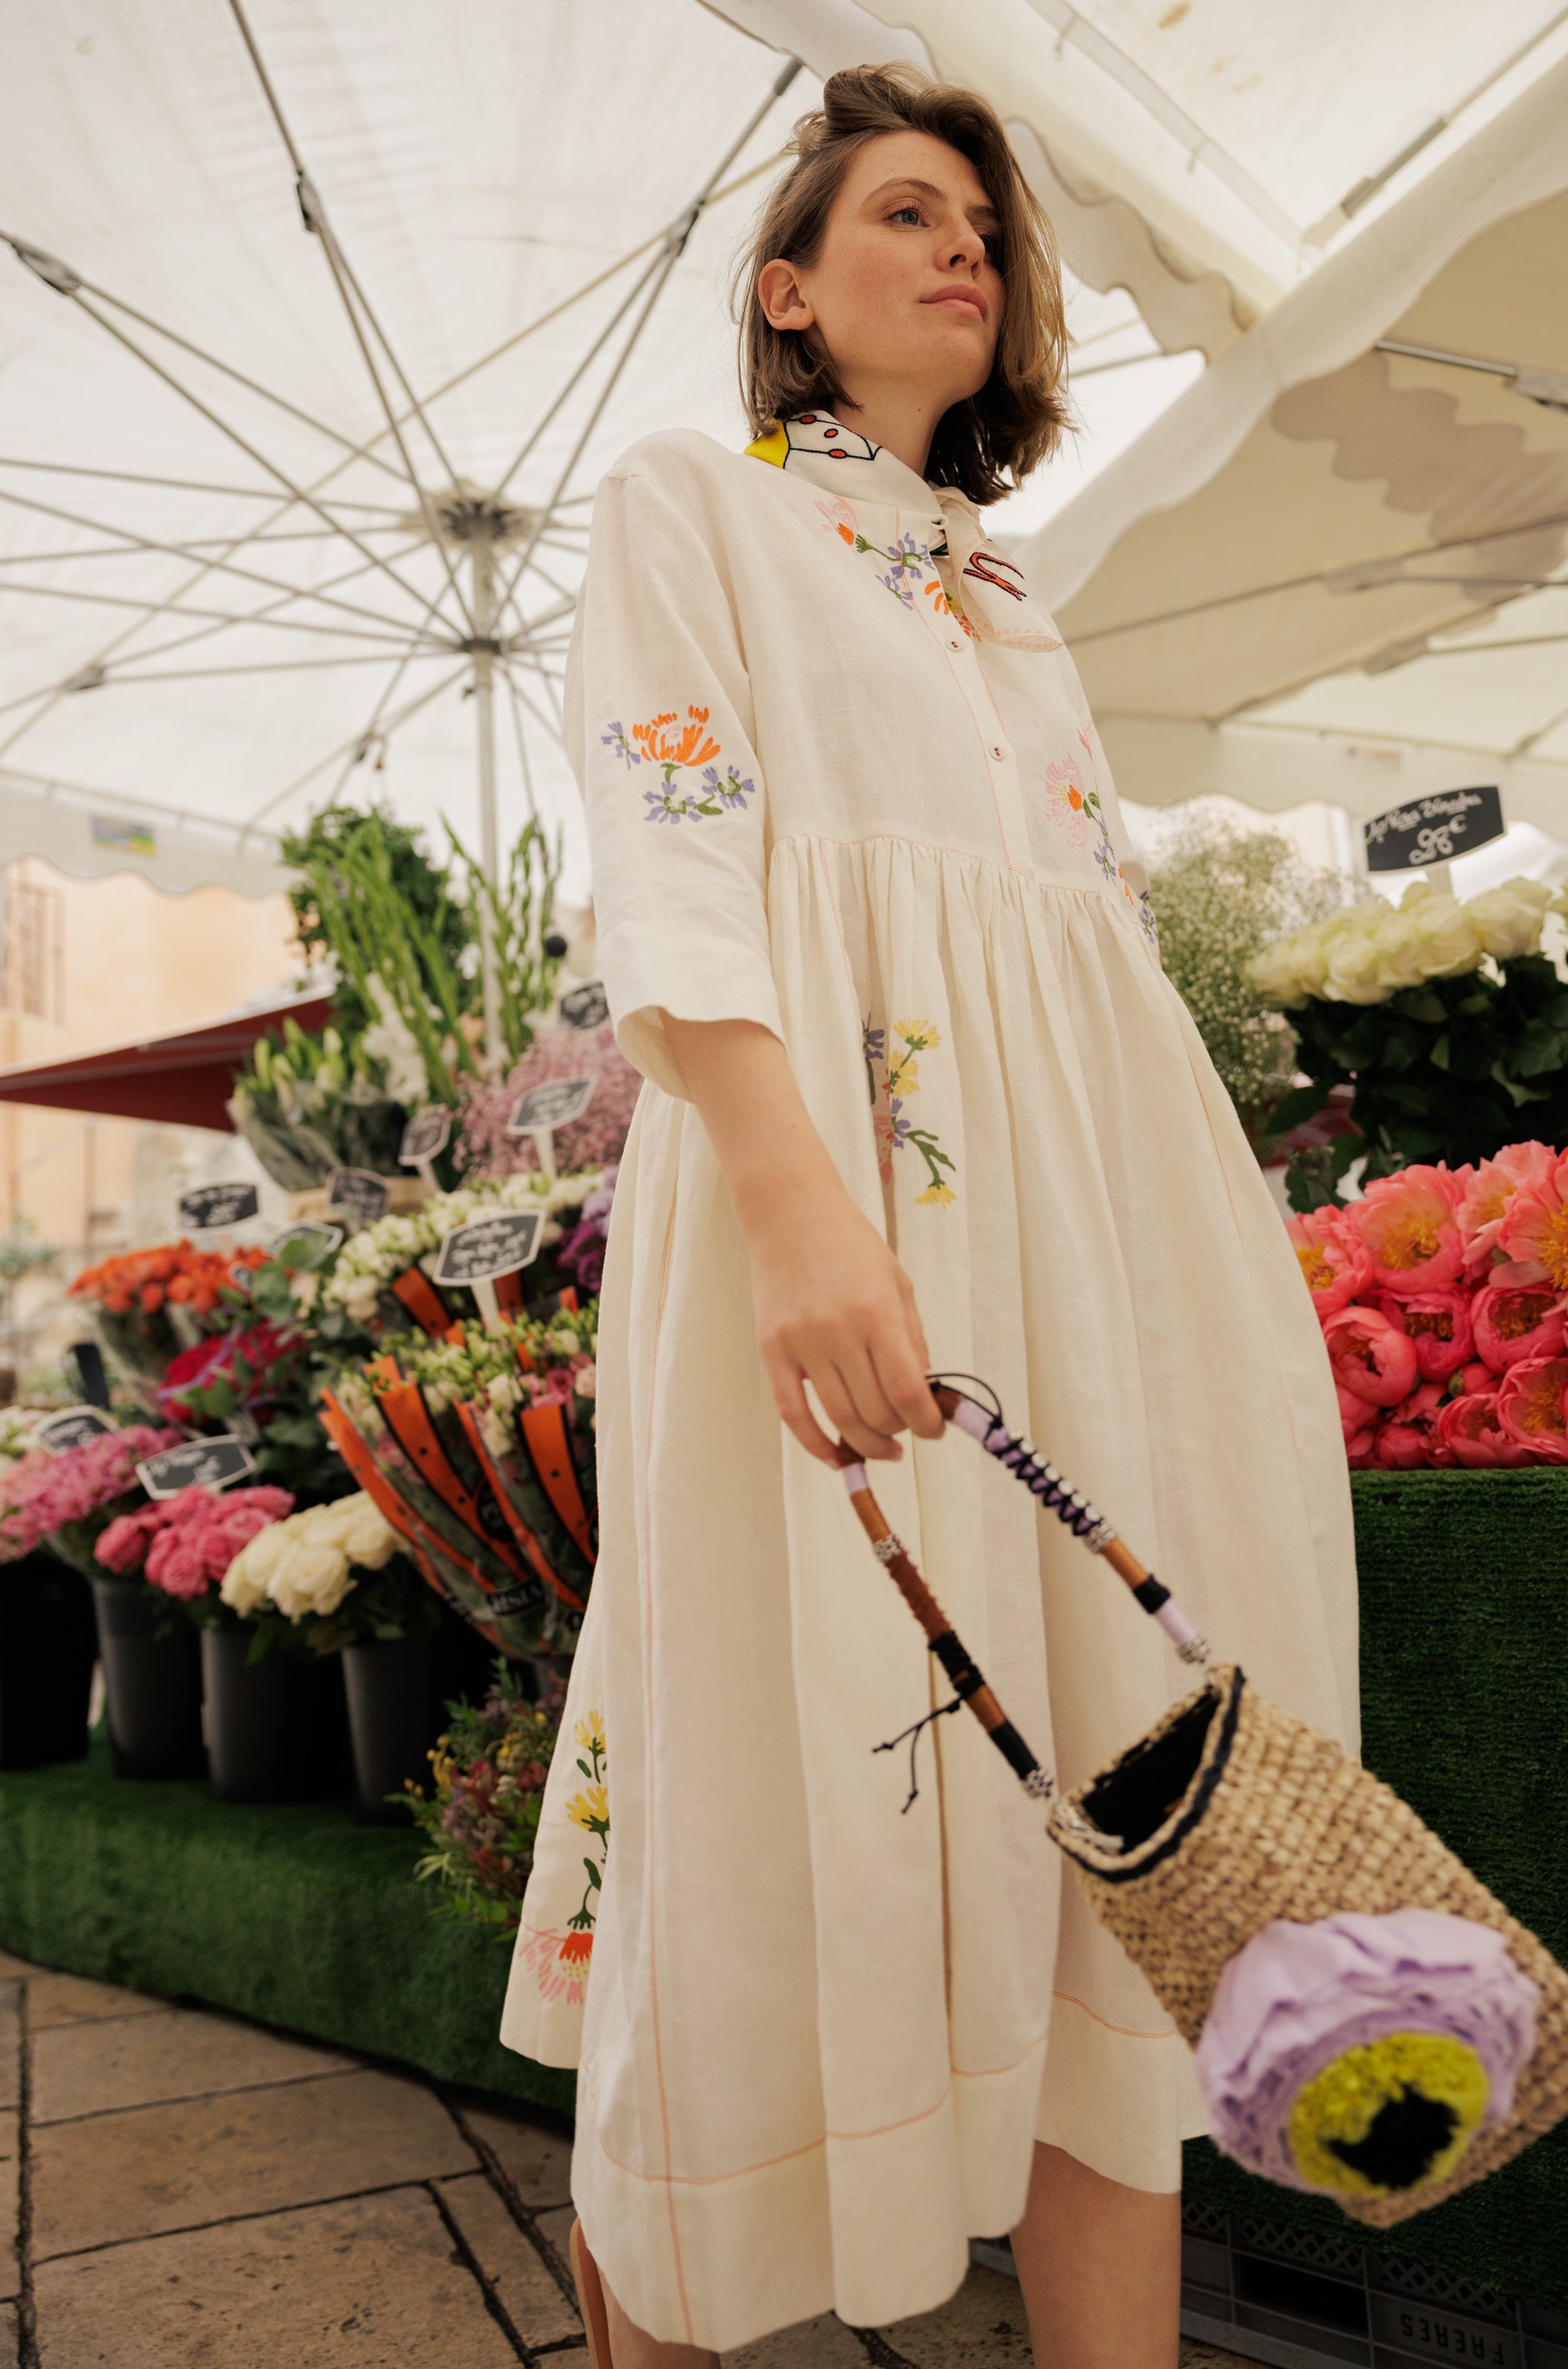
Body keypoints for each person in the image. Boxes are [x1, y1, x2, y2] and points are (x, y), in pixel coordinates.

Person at [501, 62, 1357, 2369]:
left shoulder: (1007, 597)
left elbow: (1079, 972)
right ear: (787, 291)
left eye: (980, 217)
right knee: (764, 1764)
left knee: (1112, 1828)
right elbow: (675, 863)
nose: (962, 241)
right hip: (836, 1202)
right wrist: (799, 1217)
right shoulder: (693, 501)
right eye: (901, 209)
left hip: (1090, 1253)